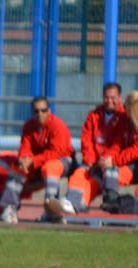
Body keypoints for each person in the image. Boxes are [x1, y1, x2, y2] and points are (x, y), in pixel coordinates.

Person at [47, 90, 138, 219]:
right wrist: (105, 159)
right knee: (90, 175)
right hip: (122, 164)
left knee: (108, 172)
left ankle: (110, 202)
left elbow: (136, 150)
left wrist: (113, 161)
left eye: (127, 109)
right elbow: (116, 144)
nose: (126, 112)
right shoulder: (123, 122)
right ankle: (73, 203)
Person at [44, 83, 127, 216]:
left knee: (93, 184)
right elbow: (86, 140)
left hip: (110, 165)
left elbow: (118, 145)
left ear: (119, 97)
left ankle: (73, 206)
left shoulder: (124, 117)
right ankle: (69, 203)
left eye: (113, 97)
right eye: (106, 97)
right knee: (79, 174)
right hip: (92, 162)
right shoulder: (94, 115)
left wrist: (102, 162)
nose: (109, 101)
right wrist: (89, 161)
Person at [0, 97, 74, 224]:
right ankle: (9, 208)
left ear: (49, 111)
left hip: (61, 160)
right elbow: (25, 146)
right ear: (32, 112)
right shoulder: (29, 125)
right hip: (37, 161)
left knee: (51, 168)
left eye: (43, 110)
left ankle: (51, 210)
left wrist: (32, 161)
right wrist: (23, 160)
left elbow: (56, 152)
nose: (40, 114)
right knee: (18, 169)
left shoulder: (58, 126)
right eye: (36, 111)